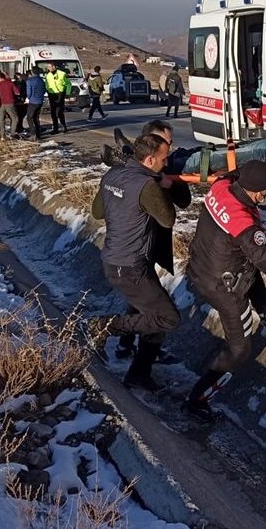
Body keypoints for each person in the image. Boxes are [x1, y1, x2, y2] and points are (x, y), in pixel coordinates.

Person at [183, 161, 266, 422]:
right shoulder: (244, 222)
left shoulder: (221, 187)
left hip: (202, 267)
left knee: (247, 270)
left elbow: (232, 172)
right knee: (239, 348)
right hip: (224, 287)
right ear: (259, 193)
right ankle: (197, 399)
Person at [87, 134, 186, 391]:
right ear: (150, 159)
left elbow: (97, 212)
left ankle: (139, 373)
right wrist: (163, 185)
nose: (166, 163)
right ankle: (105, 326)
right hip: (130, 266)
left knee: (153, 317)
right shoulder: (147, 185)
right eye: (164, 159)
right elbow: (167, 219)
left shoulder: (111, 176)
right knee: (167, 317)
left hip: (116, 259)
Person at [0, 68, 21, 137]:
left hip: (0, 104)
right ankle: (12, 133)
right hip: (9, 103)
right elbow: (18, 92)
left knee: (1, 120)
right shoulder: (10, 83)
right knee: (15, 118)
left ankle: (2, 135)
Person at [43, 63, 70, 134]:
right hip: (51, 95)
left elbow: (68, 84)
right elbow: (46, 85)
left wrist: (67, 93)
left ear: (54, 66)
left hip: (59, 94)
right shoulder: (48, 75)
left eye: (50, 66)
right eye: (48, 67)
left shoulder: (62, 74)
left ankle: (64, 126)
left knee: (59, 112)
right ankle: (55, 129)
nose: (48, 68)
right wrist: (47, 91)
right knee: (53, 113)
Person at [24, 67, 46, 140]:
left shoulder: (30, 80)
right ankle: (38, 134)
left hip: (33, 101)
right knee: (36, 117)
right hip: (40, 100)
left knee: (29, 117)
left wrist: (28, 98)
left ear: (32, 72)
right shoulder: (41, 80)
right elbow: (44, 90)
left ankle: (33, 133)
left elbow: (29, 92)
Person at [13, 71, 29, 135]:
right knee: (19, 115)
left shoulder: (23, 83)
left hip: (22, 100)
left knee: (21, 115)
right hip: (18, 101)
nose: (20, 78)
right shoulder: (15, 83)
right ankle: (18, 127)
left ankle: (20, 126)